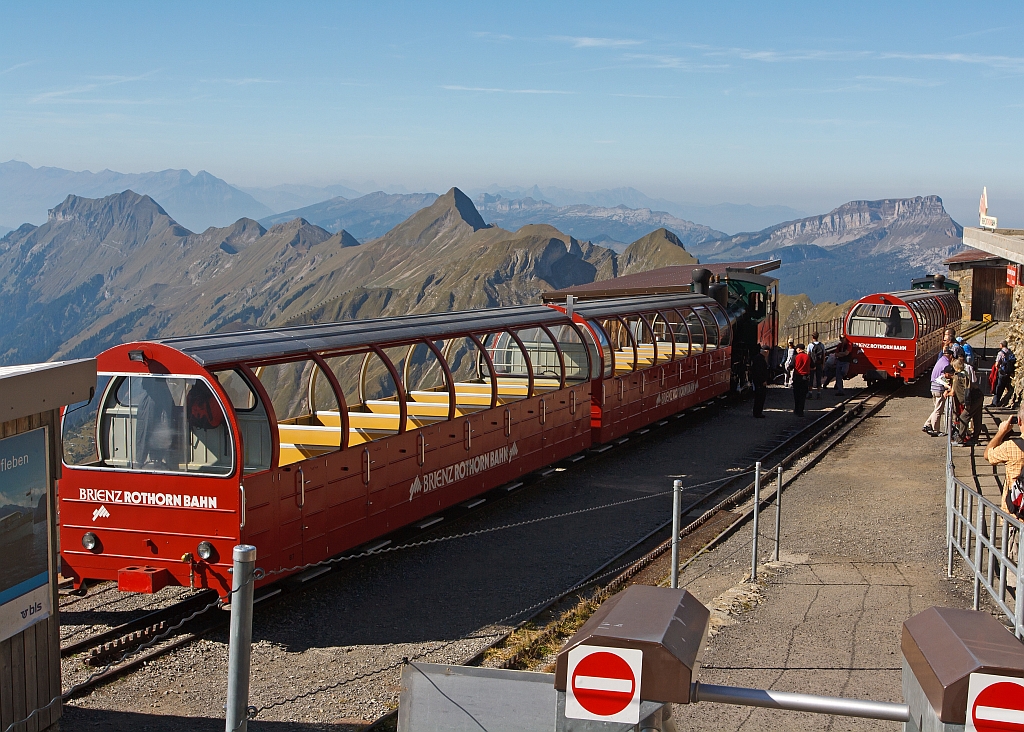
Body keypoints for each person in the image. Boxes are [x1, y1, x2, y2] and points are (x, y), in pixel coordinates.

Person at [984, 409, 1024, 564]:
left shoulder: (1011, 446)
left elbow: (988, 454)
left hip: (1015, 516)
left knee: (1015, 566)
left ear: (1019, 422)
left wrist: (1001, 432)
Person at [923, 364, 954, 436]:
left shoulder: (940, 377)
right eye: (950, 374)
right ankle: (935, 429)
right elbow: (947, 386)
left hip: (934, 390)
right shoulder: (943, 378)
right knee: (938, 411)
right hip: (939, 392)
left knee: (936, 409)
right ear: (946, 373)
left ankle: (927, 425)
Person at [993, 340, 1017, 408]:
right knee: (1005, 387)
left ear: (1001, 345)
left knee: (998, 387)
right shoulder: (1009, 352)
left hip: (1002, 372)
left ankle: (995, 402)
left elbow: (997, 364)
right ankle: (1002, 401)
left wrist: (998, 369)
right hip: (1008, 372)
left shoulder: (1000, 353)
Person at [750, 344, 770, 418]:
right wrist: (763, 380)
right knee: (760, 397)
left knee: (759, 397)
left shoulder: (757, 358)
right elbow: (760, 371)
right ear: (766, 352)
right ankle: (758, 412)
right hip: (759, 382)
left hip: (757, 380)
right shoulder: (760, 359)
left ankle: (757, 412)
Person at [792, 343, 811, 416]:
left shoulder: (795, 357)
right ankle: (801, 411)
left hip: (797, 377)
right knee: (803, 396)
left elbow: (791, 366)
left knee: (796, 395)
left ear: (799, 349)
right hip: (805, 378)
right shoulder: (808, 357)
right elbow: (813, 366)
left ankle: (796, 410)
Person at [808, 331, 825, 399]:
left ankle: (810, 393)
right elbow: (823, 355)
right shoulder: (822, 345)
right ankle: (818, 393)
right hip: (819, 364)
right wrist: (823, 364)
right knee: (818, 378)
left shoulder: (810, 345)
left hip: (812, 364)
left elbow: (808, 355)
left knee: (811, 378)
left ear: (812, 337)